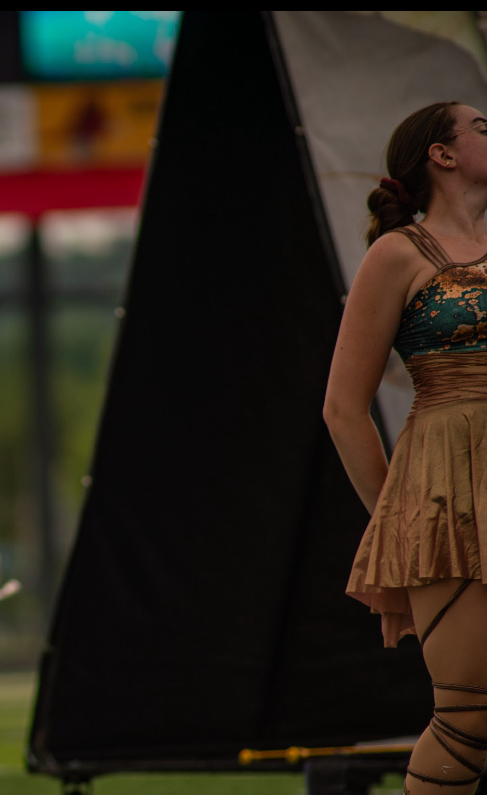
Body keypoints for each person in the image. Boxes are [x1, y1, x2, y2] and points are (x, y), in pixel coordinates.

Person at [324, 101, 487, 795]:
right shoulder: (397, 255)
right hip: (445, 492)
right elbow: (341, 407)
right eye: (481, 127)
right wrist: (397, 517)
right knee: (467, 717)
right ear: (441, 156)